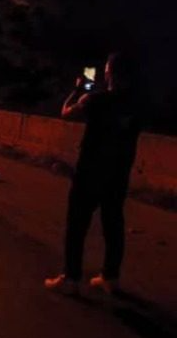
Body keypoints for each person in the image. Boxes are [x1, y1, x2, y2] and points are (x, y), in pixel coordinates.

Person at [45, 53, 142, 295]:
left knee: (77, 225)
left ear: (109, 73)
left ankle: (71, 278)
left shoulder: (95, 100)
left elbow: (66, 112)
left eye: (107, 69)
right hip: (118, 175)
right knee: (113, 226)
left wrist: (77, 90)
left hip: (89, 173)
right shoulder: (138, 106)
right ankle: (110, 277)